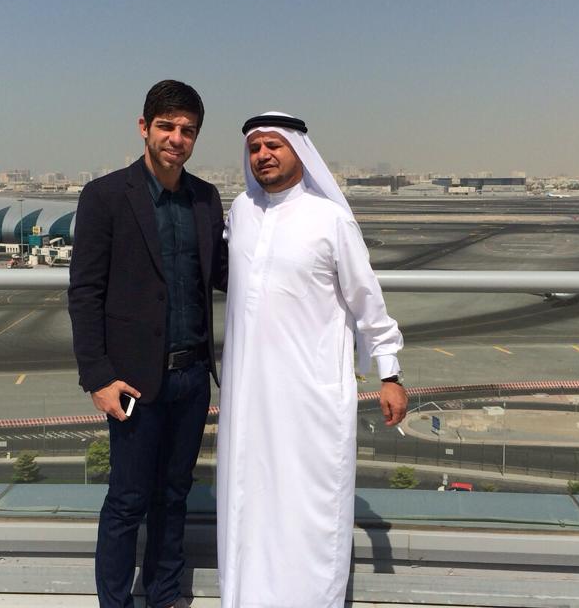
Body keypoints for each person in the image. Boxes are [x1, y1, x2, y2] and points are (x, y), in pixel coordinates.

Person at [216, 112, 407, 607]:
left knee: (311, 507)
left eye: (273, 145)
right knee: (248, 500)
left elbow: (368, 303)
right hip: (248, 396)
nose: (263, 155)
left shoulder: (330, 220)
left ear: (298, 150)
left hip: (310, 397)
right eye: (255, 147)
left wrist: (390, 374)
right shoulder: (240, 211)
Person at [68, 79, 227, 608]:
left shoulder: (205, 198)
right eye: (166, 126)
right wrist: (98, 377)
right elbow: (85, 293)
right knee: (128, 500)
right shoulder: (106, 196)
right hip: (133, 380)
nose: (177, 138)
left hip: (191, 377)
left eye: (188, 130)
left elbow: (226, 273)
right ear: (143, 127)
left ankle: (164, 597)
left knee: (174, 496)